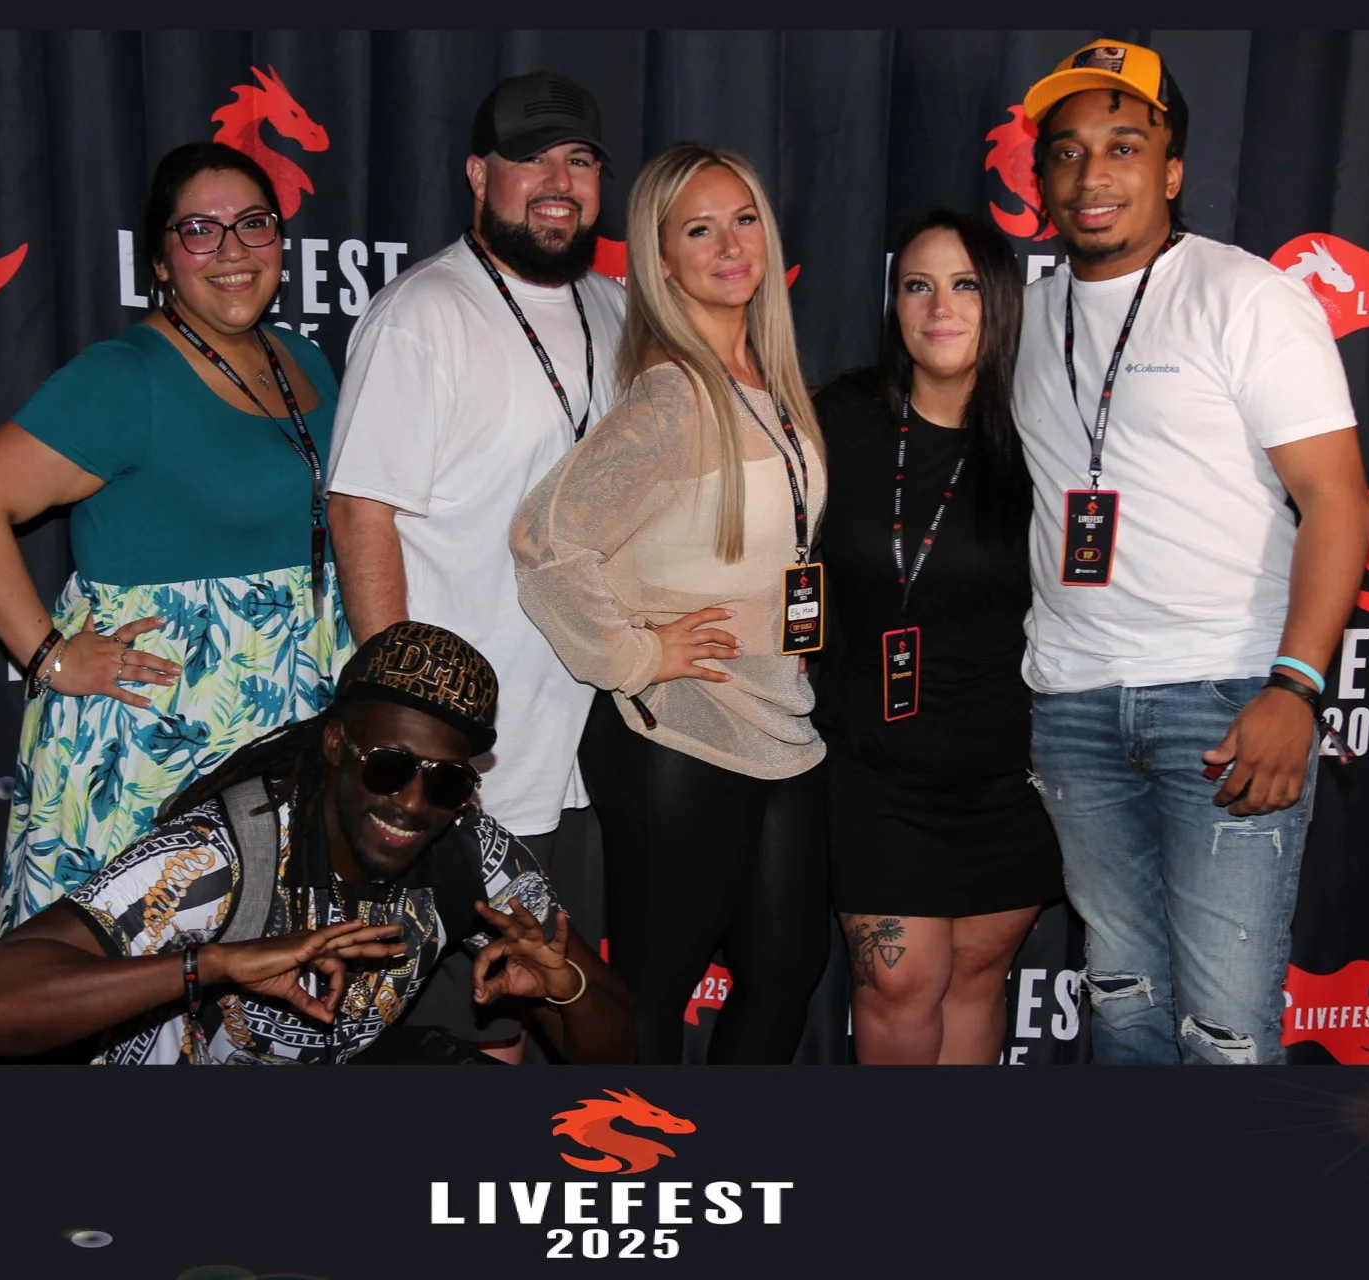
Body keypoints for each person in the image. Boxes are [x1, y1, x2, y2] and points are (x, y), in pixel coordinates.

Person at [1014, 39, 1369, 1064]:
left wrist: (1294, 687)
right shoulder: (1022, 317)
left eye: (1124, 146)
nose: (1092, 174)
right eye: (1068, 151)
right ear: (1041, 181)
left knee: (1224, 1028)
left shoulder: (1244, 297)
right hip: (1073, 705)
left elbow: (1337, 499)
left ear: (1170, 172)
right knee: (1123, 1001)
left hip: (1224, 700)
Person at [0, 142, 351, 939]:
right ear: (160, 260)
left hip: (289, 723)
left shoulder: (300, 358)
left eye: (253, 224)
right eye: (199, 230)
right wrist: (50, 657)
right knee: (131, 966)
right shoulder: (126, 375)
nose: (232, 250)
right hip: (156, 738)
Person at [0, 621, 636, 1066]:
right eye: (388, 768)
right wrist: (213, 965)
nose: (412, 803)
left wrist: (567, 991)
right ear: (336, 744)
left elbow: (612, 1054)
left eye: (447, 781)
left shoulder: (470, 850)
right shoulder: (217, 855)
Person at [324, 70, 628, 1060]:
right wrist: (407, 737)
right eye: (528, 158)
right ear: (476, 174)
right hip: (465, 769)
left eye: (577, 160)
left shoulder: (619, 311)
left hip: (580, 756)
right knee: (469, 1042)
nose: (557, 182)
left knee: (553, 1019)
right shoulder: (423, 314)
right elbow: (361, 510)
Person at [511, 141, 830, 1065]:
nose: (729, 246)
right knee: (654, 991)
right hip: (679, 732)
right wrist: (638, 656)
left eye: (743, 220)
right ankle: (630, 1153)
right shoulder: (672, 396)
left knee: (784, 973)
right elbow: (542, 540)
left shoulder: (767, 383)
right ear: (659, 258)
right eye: (699, 230)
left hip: (778, 717)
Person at [809, 209, 1062, 1065]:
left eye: (964, 286)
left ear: (1002, 301)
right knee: (897, 983)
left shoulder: (1044, 436)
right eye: (917, 285)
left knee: (974, 978)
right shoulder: (838, 418)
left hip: (1005, 772)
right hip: (873, 767)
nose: (940, 307)